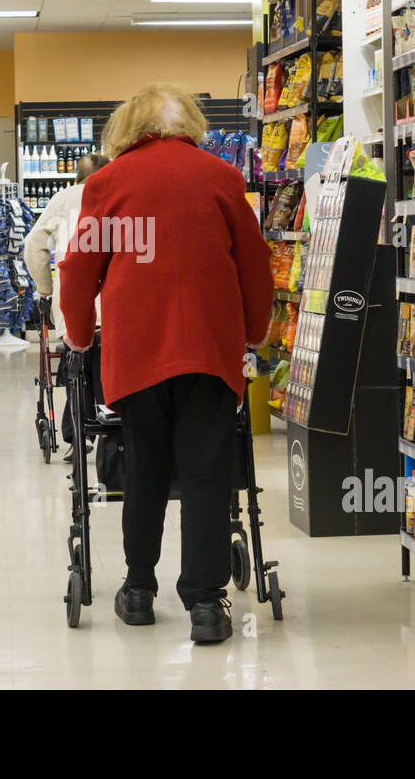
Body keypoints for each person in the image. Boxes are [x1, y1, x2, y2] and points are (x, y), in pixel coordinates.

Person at [58, 84, 272, 643]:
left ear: (127, 129)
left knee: (145, 466)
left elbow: (79, 270)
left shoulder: (106, 183)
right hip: (209, 347)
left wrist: (79, 337)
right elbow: (254, 263)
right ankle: (206, 604)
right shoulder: (223, 178)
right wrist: (255, 333)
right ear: (191, 125)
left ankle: (136, 591)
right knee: (205, 470)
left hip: (137, 351)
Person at [24, 152, 109, 462]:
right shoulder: (123, 194)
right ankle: (115, 433)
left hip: (72, 301)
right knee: (110, 368)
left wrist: (45, 289)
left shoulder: (63, 199)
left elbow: (34, 245)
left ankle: (77, 433)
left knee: (77, 364)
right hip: (116, 304)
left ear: (77, 176)